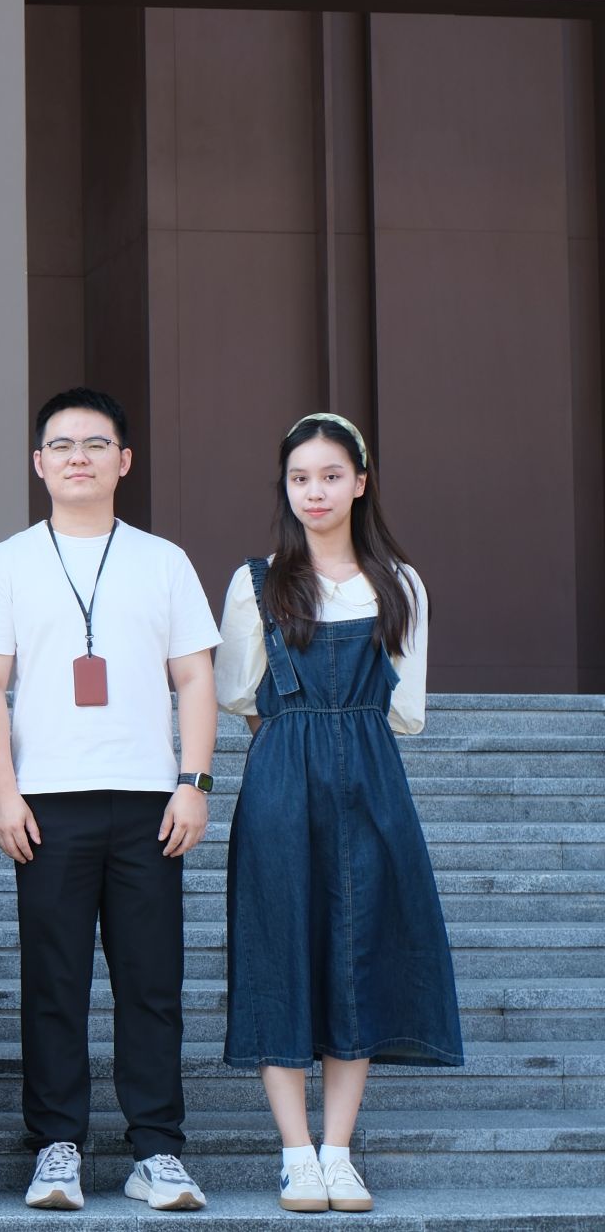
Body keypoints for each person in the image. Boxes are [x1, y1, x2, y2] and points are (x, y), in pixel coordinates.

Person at [0, 387, 220, 1213]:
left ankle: (157, 1151)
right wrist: (2, 792)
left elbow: (195, 677)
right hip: (47, 803)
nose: (79, 457)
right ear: (39, 463)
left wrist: (194, 782)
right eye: (63, 445)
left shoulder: (163, 560)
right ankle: (57, 1146)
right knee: (53, 981)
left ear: (124, 460)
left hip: (150, 801)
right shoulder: (6, 562)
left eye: (96, 443)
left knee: (152, 982)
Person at [214, 413, 460, 1214]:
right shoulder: (255, 583)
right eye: (299, 477)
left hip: (371, 782)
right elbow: (238, 692)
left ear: (360, 480)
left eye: (329, 475)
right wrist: (303, 736)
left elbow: (406, 708)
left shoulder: (400, 584)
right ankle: (296, 1153)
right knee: (278, 949)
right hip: (281, 782)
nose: (313, 491)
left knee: (360, 953)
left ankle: (338, 1151)